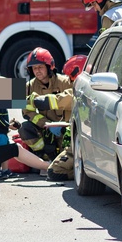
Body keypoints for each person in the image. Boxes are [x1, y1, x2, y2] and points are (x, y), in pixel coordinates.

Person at [18, 47, 74, 180]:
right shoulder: (29, 86)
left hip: (65, 130)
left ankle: (58, 163)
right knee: (24, 128)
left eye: (40, 67)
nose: (37, 71)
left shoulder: (65, 82)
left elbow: (74, 102)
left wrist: (62, 127)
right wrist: (46, 124)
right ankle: (44, 158)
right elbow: (26, 112)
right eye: (34, 68)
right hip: (46, 130)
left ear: (49, 67)